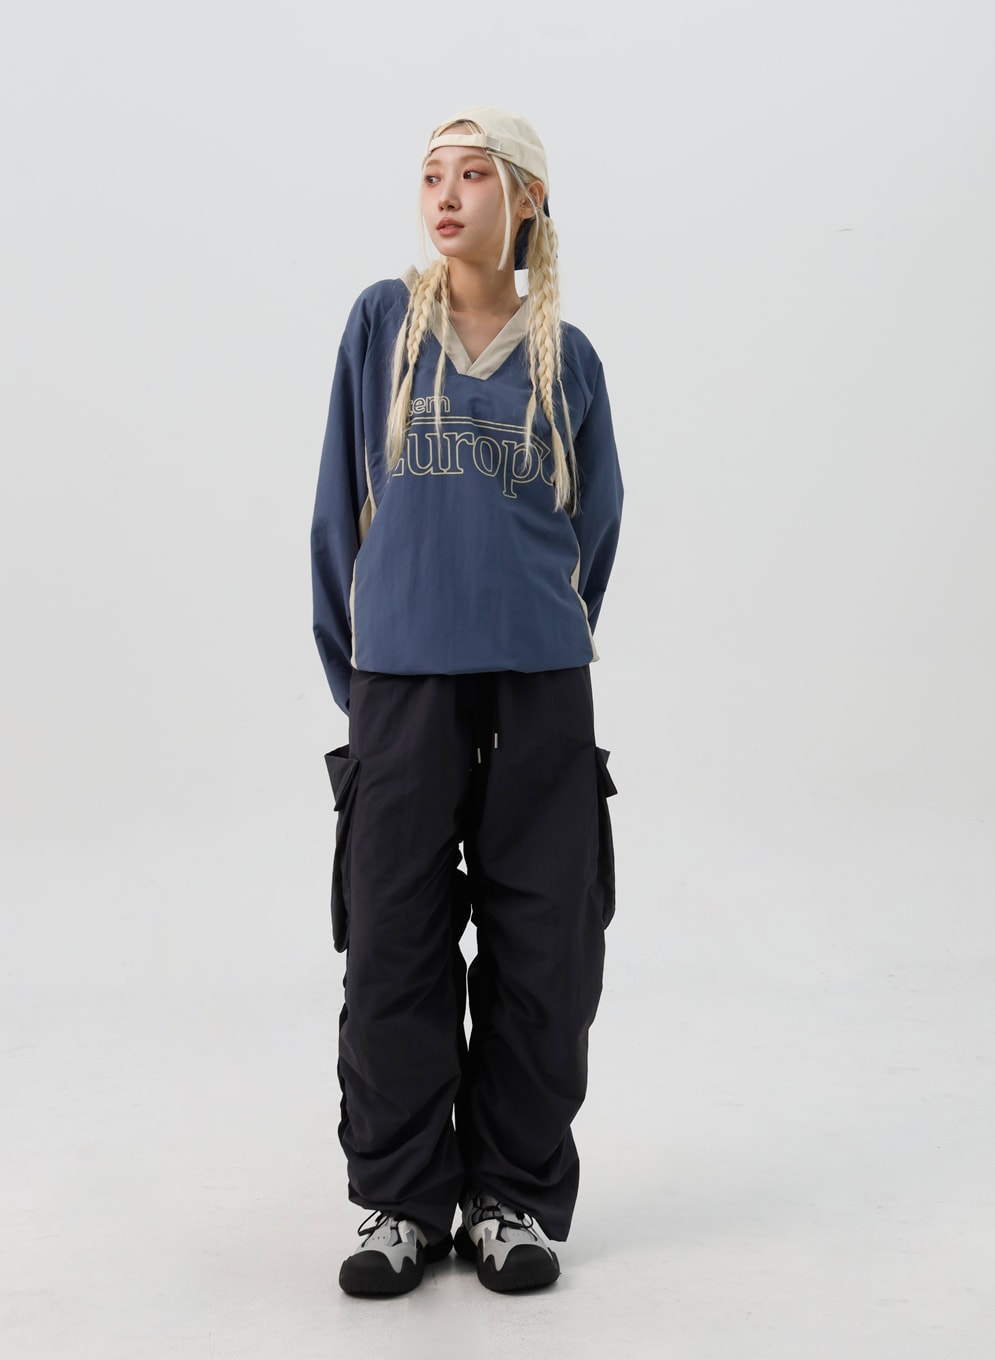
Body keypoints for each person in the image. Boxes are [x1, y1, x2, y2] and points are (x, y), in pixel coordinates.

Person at [310, 106, 624, 1298]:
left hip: (540, 687)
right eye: (431, 174)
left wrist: (541, 634)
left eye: (475, 174)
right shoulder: (382, 327)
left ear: (526, 199)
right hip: (401, 682)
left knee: (548, 943)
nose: (445, 194)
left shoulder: (567, 358)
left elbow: (594, 532)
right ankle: (400, 1200)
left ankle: (509, 1197)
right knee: (392, 937)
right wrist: (362, 679)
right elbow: (336, 510)